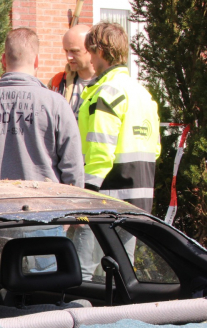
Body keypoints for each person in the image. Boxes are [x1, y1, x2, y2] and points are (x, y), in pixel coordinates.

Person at [0, 28, 84, 187]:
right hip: (45, 206)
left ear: (3, 60)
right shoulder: (57, 105)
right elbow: (73, 169)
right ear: (37, 61)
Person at [79, 22, 161, 213]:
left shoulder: (107, 93)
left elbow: (101, 150)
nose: (90, 60)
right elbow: (155, 149)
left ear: (99, 51)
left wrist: (85, 196)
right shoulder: (143, 95)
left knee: (83, 244)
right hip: (141, 200)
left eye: (90, 53)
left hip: (108, 201)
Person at [48, 24, 95, 115]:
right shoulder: (58, 82)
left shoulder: (107, 84)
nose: (69, 57)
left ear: (91, 49)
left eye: (74, 51)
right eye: (66, 51)